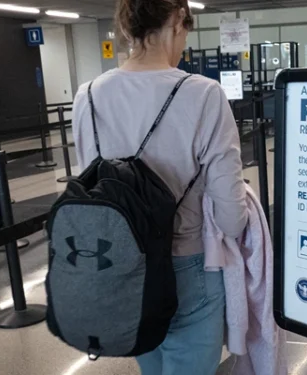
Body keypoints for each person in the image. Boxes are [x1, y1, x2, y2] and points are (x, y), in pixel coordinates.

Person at [71, 0, 249, 374]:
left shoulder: (86, 96)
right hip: (188, 267)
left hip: (119, 264)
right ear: (177, 21)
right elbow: (232, 220)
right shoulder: (204, 94)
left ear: (126, 29)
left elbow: (91, 187)